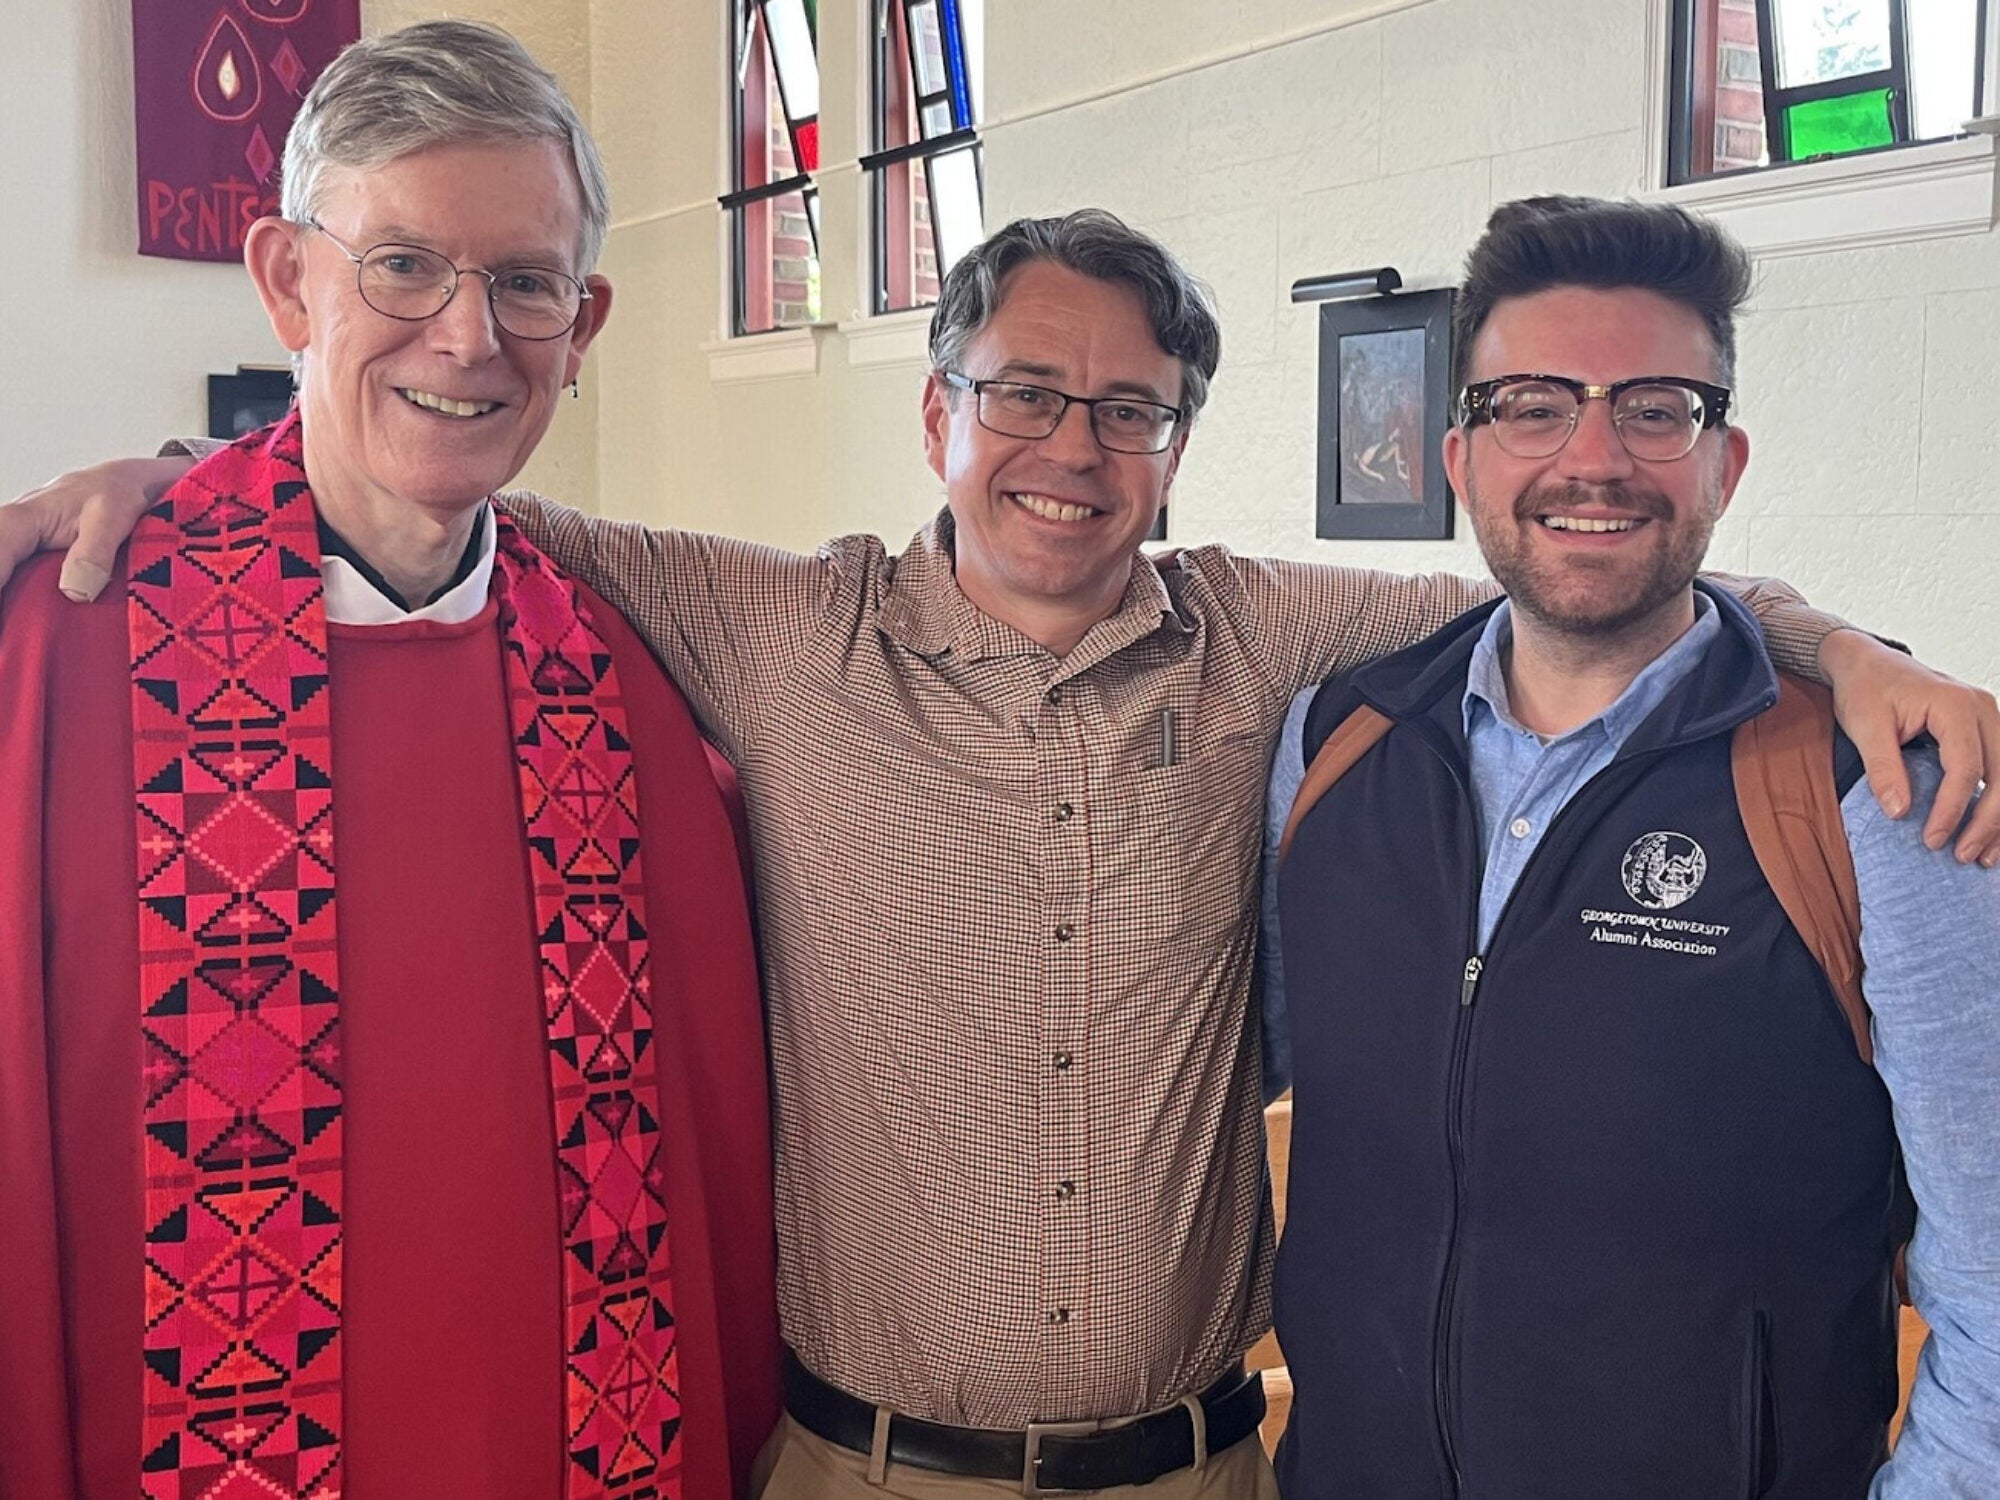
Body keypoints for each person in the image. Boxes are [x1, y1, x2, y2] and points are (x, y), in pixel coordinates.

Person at [8, 202, 2000, 1498]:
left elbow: (1599, 562)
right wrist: (188, 482)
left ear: (1178, 448)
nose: (1071, 445)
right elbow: (432, 479)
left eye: (1127, 412)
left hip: (1205, 1473)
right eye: (1024, 394)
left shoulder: (1285, 648)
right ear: (938, 416)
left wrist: (1851, 647)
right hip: (859, 1470)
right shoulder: (770, 626)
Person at [0, 23, 780, 1500]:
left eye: (526, 283)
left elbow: (715, 1165)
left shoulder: (630, 693)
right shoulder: (66, 651)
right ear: (289, 280)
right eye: (403, 265)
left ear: (585, 321)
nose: (468, 337)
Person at [1264, 196, 1999, 1498]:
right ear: (1461, 456)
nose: (1592, 458)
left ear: (1726, 462)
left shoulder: (1876, 791)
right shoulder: (1334, 745)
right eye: (1533, 405)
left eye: (1656, 408)